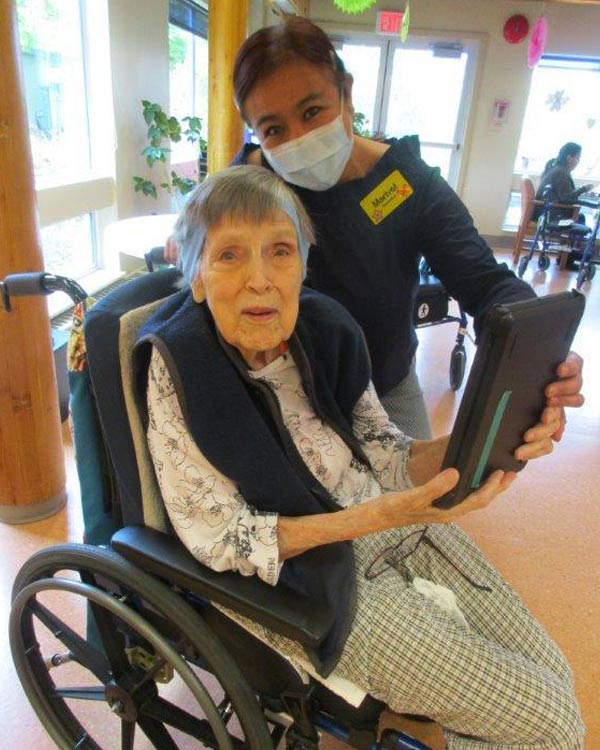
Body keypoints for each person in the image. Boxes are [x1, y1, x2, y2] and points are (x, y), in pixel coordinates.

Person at [141, 165, 584, 750]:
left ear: (302, 265)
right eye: (228, 256)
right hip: (310, 582)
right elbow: (216, 536)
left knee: (559, 683)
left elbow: (386, 453)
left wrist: (491, 432)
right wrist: (372, 518)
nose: (259, 280)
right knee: (551, 726)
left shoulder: (324, 328)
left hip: (392, 525)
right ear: (196, 274)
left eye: (280, 251)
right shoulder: (179, 366)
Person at [165, 18, 583, 441]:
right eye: (274, 129)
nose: (299, 139)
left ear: (345, 92)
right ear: (254, 131)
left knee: (423, 499)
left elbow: (487, 283)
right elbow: (192, 266)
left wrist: (539, 349)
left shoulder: (405, 185)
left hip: (385, 385)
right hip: (280, 392)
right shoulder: (247, 183)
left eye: (313, 112)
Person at [532, 142, 593, 223]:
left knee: (580, 216)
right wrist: (584, 189)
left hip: (545, 212)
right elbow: (566, 198)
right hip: (550, 215)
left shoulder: (556, 169)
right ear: (569, 158)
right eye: (577, 158)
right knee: (581, 218)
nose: (578, 162)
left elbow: (564, 194)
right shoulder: (561, 173)